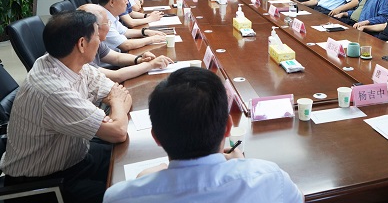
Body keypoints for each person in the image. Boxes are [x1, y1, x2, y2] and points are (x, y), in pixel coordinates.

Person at [103, 67, 303, 203]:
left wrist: (143, 179)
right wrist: (241, 165)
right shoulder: (269, 177)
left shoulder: (120, 197)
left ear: (156, 137)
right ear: (228, 127)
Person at [0, 11, 132, 203]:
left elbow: (118, 92)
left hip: (76, 156)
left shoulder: (70, 64)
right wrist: (116, 106)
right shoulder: (52, 89)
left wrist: (114, 108)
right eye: (97, 35)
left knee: (130, 157)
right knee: (127, 196)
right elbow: (118, 130)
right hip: (44, 183)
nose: (101, 40)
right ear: (81, 44)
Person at [79, 4, 173, 82]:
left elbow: (117, 58)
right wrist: (151, 65)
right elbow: (116, 76)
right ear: (95, 27)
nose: (109, 26)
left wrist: (140, 60)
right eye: (107, 22)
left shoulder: (95, 41)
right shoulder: (80, 53)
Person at [99, 0, 166, 52]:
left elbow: (125, 32)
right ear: (112, 2)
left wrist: (145, 32)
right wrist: (152, 39)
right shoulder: (102, 20)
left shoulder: (110, 14)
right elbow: (126, 45)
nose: (127, 2)